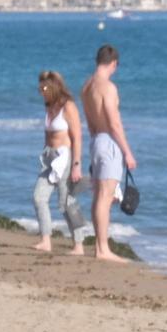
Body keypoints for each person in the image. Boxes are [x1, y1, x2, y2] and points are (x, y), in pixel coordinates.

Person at [80, 44, 134, 262]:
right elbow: (114, 122)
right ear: (113, 63)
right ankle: (103, 249)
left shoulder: (86, 87)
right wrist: (127, 152)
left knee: (99, 197)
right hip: (109, 141)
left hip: (95, 141)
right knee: (106, 196)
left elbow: (90, 121)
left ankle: (99, 247)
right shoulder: (108, 87)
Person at [32, 71, 86, 254]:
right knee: (39, 197)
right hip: (49, 158)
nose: (41, 91)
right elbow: (47, 134)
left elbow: (77, 137)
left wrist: (77, 165)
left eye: (44, 87)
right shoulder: (49, 105)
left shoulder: (68, 106)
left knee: (67, 202)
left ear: (53, 87)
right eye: (40, 88)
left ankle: (78, 244)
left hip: (65, 158)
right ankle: (45, 240)